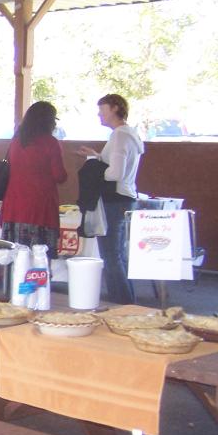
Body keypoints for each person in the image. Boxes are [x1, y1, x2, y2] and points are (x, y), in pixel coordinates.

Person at [76, 94, 145, 304]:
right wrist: (97, 156)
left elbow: (115, 174)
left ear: (115, 108)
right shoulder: (129, 134)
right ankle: (125, 300)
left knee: (111, 254)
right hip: (125, 197)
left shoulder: (119, 136)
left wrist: (93, 167)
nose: (100, 114)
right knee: (117, 254)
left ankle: (121, 302)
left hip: (114, 199)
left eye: (102, 109)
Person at [0, 101, 67, 257]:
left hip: (14, 207)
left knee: (15, 257)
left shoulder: (16, 142)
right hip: (40, 208)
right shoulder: (50, 143)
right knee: (38, 259)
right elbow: (59, 175)